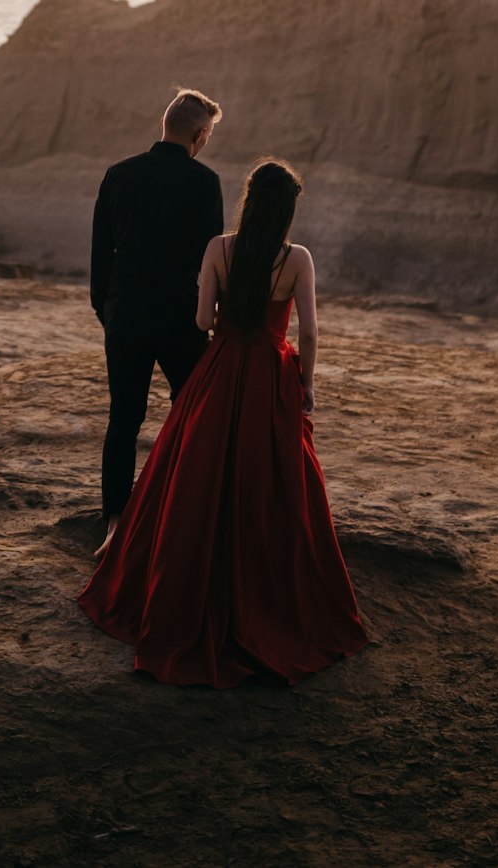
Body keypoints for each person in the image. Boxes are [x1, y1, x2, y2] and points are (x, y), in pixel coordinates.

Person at [79, 157, 369, 687]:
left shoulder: (220, 248)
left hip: (222, 365)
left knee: (195, 470)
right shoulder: (297, 258)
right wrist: (305, 383)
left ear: (249, 200)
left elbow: (200, 320)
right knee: (274, 477)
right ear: (286, 210)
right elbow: (308, 333)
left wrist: (224, 327)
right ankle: (265, 590)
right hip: (270, 374)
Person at [90, 87, 224, 557]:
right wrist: (209, 321)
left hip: (124, 313)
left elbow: (100, 258)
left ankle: (115, 524)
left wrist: (108, 311)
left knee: (123, 419)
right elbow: (210, 263)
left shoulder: (118, 174)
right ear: (200, 134)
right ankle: (177, 512)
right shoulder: (204, 182)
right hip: (179, 319)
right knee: (193, 412)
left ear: (164, 124)